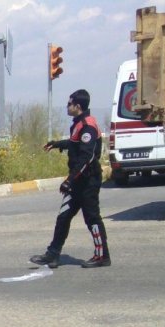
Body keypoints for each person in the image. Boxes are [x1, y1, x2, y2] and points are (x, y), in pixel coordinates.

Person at [31, 89, 111, 268]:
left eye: (69, 104)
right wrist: (57, 144)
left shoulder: (88, 126)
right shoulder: (78, 124)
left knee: (92, 218)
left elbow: (86, 157)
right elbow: (75, 144)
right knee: (63, 216)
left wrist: (69, 180)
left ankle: (102, 256)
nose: (67, 107)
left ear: (78, 106)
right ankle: (52, 255)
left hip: (88, 180)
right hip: (78, 181)